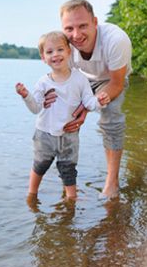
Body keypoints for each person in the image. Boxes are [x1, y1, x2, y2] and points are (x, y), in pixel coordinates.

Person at [50, 0, 132, 199]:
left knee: (111, 118)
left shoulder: (116, 40)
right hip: (82, 80)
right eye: (69, 28)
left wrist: (87, 108)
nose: (76, 35)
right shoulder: (63, 45)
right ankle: (67, 180)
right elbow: (63, 80)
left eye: (83, 26)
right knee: (64, 118)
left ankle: (111, 182)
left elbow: (116, 84)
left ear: (95, 22)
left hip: (111, 79)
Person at [16, 31, 110, 201]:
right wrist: (26, 96)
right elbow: (36, 108)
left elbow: (89, 102)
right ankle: (31, 195)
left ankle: (71, 199)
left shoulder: (80, 79)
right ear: (43, 58)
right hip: (44, 133)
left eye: (60, 49)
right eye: (50, 52)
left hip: (69, 134)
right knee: (40, 165)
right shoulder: (43, 82)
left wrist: (100, 101)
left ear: (69, 52)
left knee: (68, 168)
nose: (55, 55)